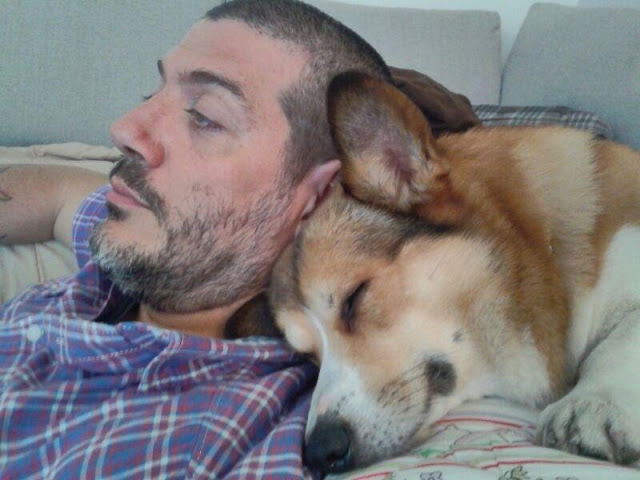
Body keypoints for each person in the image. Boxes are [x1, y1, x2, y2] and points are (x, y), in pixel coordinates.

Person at [0, 1, 478, 478]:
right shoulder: (149, 236)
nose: (124, 128)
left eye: (203, 115)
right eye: (154, 91)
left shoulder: (227, 442)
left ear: (317, 199)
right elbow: (58, 194)